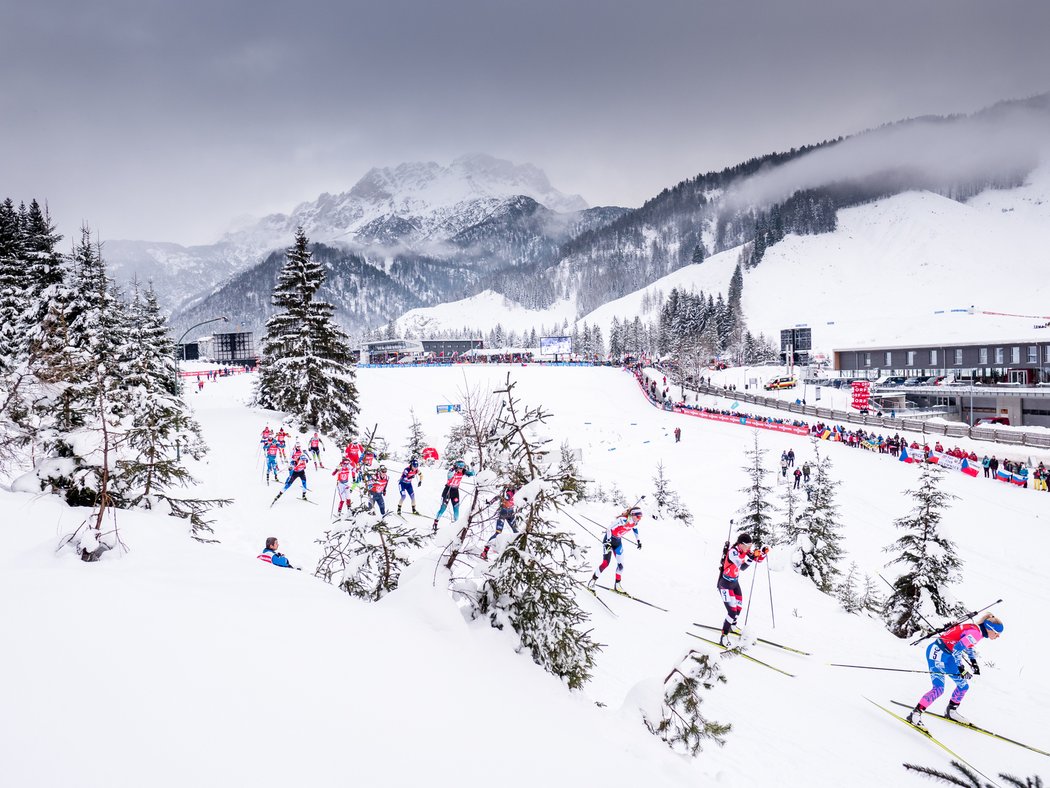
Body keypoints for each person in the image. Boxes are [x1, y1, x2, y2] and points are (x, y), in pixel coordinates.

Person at [905, 614, 1004, 728]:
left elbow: (968, 645)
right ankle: (915, 714)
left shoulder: (978, 631)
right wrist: (961, 669)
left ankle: (951, 712)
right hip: (937, 653)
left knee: (963, 686)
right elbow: (957, 649)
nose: (998, 637)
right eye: (997, 634)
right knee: (938, 689)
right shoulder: (976, 633)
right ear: (990, 629)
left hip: (948, 656)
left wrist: (973, 661)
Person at [716, 533, 769, 646]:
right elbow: (741, 565)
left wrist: (762, 553)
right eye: (747, 545)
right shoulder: (733, 552)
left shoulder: (744, 550)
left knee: (738, 607)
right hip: (725, 584)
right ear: (740, 544)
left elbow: (757, 560)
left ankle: (733, 626)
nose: (749, 547)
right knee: (732, 611)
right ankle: (723, 636)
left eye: (751, 545)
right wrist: (751, 557)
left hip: (734, 583)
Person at [586, 506, 644, 594]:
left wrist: (638, 541)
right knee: (605, 563)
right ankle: (592, 582)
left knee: (621, 565)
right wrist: (608, 542)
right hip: (608, 540)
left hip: (617, 542)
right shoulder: (622, 520)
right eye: (638, 516)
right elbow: (609, 529)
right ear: (632, 514)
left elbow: (635, 529)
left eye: (641, 517)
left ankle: (617, 585)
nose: (639, 519)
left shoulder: (635, 522)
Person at [432, 459, 476, 532]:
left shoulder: (463, 471)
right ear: (457, 467)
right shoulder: (452, 470)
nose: (462, 469)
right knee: (443, 508)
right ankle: (435, 523)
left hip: (455, 491)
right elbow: (449, 476)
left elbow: (472, 474)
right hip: (447, 491)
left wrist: (472, 467)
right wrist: (454, 471)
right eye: (461, 468)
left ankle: (455, 526)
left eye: (463, 468)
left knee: (456, 509)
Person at [480, 487, 519, 561]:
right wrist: (490, 502)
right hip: (503, 513)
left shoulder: (519, 494)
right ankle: (485, 552)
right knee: (497, 533)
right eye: (518, 489)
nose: (519, 490)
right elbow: (499, 497)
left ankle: (514, 552)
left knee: (516, 532)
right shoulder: (509, 493)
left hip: (511, 514)